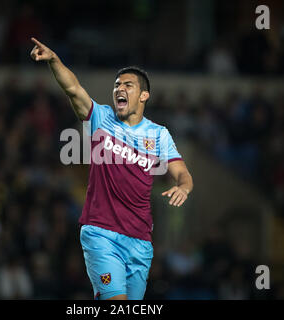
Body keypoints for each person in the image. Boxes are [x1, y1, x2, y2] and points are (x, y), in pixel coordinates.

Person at [30, 37, 193, 300]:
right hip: (101, 233)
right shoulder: (100, 118)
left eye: (128, 85)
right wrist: (54, 60)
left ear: (143, 95)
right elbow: (73, 88)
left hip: (140, 241)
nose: (120, 88)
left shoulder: (158, 134)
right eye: (117, 85)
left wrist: (184, 187)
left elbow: (181, 172)